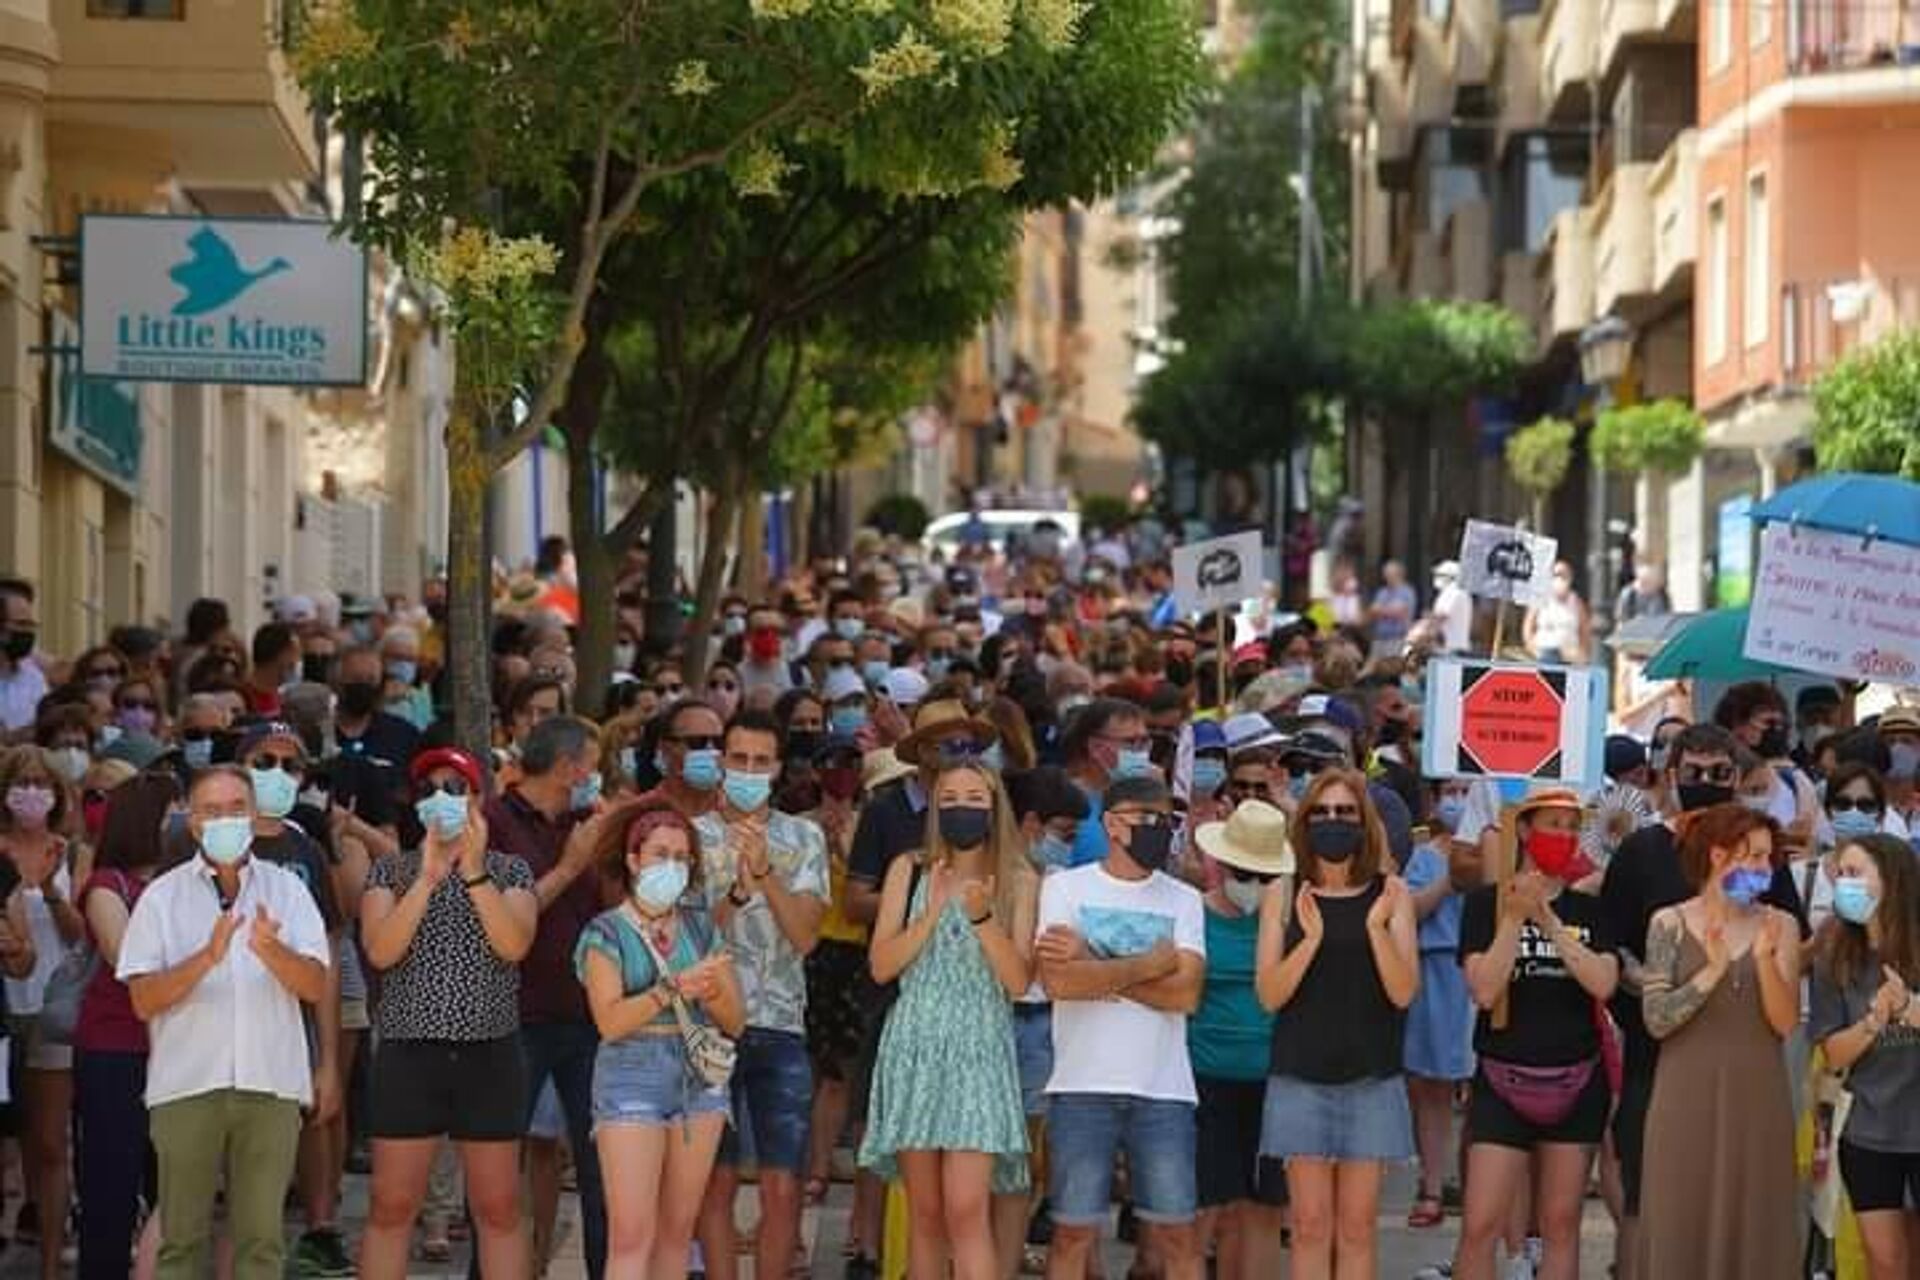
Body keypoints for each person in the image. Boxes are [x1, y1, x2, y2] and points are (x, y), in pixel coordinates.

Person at [1599, 721, 1805, 1260]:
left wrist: (1760, 961)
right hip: (1662, 1061)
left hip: (1752, 1077)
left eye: (1719, 773)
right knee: (1661, 1201)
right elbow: (1615, 948)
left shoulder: (1775, 913)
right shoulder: (1646, 856)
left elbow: (1788, 1008)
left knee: (1751, 1218)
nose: (1707, 781)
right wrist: (1668, 982)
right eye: (1695, 773)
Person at [118, 764, 330, 1280]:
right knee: (182, 1242)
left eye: (237, 809)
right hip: (187, 1086)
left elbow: (314, 986)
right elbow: (143, 1000)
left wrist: (270, 949)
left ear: (255, 815)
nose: (226, 820)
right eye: (212, 811)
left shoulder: (287, 890)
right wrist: (206, 958)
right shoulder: (161, 897)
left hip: (271, 1084)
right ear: (192, 822)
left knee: (262, 1242)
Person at [357, 747, 538, 1280]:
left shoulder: (510, 872)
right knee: (391, 1207)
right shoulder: (390, 871)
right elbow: (382, 951)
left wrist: (475, 874)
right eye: (430, 789)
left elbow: (513, 944)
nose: (442, 800)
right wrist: (428, 878)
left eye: (455, 789)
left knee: (499, 1209)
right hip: (409, 1054)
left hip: (490, 1054)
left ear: (479, 801)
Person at [862, 760, 1035, 1280]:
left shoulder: (1019, 879)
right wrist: (933, 910)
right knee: (927, 1214)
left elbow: (1018, 981)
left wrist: (981, 917)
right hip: (914, 1045)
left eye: (975, 798)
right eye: (951, 797)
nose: (963, 807)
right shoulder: (908, 868)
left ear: (994, 806)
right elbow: (882, 965)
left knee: (966, 1210)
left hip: (979, 1051)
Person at [1035, 775, 1205, 1280]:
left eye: (1167, 820)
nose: (1161, 829)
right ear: (1112, 823)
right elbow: (1060, 982)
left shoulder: (1183, 898)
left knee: (1178, 1234)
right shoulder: (1064, 888)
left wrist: (1094, 960)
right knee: (1071, 1234)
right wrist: (1147, 965)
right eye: (1147, 818)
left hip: (1165, 1089)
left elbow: (1186, 994)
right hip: (1081, 1085)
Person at [1255, 767, 1417, 1280]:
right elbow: (1270, 994)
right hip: (1299, 1078)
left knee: (1356, 1228)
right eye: (1322, 812)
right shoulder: (1283, 894)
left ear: (1363, 821)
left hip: (1372, 1078)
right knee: (1307, 1225)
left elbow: (1402, 991)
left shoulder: (1391, 894)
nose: (1333, 821)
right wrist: (1310, 940)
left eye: (1345, 812)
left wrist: (1374, 928)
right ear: (1304, 822)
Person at [1452, 790, 1620, 1280]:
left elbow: (1603, 982)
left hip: (1576, 1080)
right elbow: (1483, 990)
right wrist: (1514, 916)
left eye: (1572, 827)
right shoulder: (1484, 905)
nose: (1564, 837)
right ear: (1524, 830)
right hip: (1503, 1081)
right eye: (1554, 825)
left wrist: (1547, 918)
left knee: (1560, 1223)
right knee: (1480, 1224)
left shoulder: (1589, 911)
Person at [577, 802, 745, 1280]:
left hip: (699, 1078)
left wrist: (711, 993)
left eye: (681, 856)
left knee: (678, 1231)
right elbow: (609, 1021)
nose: (671, 865)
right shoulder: (605, 932)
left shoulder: (700, 926)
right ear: (633, 860)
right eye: (659, 853)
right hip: (631, 1072)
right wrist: (672, 987)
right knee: (631, 1235)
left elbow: (736, 1021)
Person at [1634, 803, 1798, 1279]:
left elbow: (1785, 1023)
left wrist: (1765, 960)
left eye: (1768, 859)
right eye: (1751, 857)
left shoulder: (1781, 925)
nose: (1762, 869)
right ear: (1717, 855)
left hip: (1758, 1098)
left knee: (1756, 1224)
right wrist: (1713, 972)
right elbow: (1657, 1020)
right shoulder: (1668, 922)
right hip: (1685, 1096)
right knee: (1680, 1220)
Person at [694, 709, 829, 1280]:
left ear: (776, 768)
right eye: (739, 758)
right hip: (708, 1025)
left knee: (782, 1183)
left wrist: (766, 873)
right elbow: (689, 938)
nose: (748, 770)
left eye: (760, 761)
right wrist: (739, 894)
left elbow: (804, 936)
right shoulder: (687, 836)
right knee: (715, 1182)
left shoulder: (806, 836)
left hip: (780, 1024)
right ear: (722, 761)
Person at [484, 714, 610, 1279]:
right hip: (516, 1018)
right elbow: (508, 917)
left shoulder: (585, 822)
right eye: (592, 764)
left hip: (586, 1018)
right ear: (566, 767)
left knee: (601, 1169)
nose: (596, 776)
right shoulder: (493, 821)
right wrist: (572, 864)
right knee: (498, 1167)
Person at [74, 769, 173, 1280]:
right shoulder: (107, 887)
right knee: (111, 1185)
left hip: (173, 1054)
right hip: (117, 1051)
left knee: (174, 1189)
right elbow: (128, 960)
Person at [1809, 833, 1920, 1279]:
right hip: (1868, 1129)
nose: (1844, 884)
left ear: (1891, 880)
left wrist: (1909, 1008)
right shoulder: (1835, 953)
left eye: (1855, 873)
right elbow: (1832, 1053)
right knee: (1885, 1259)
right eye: (1840, 875)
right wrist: (1874, 1020)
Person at [1189, 801, 1291, 1280]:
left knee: (1264, 1211)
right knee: (1207, 1212)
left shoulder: (1291, 921)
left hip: (1274, 1081)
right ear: (1221, 864)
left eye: (1262, 874)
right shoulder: (1193, 915)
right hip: (1205, 1078)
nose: (1250, 882)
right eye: (1242, 870)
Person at [1, 744, 83, 1280]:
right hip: (5, 1009)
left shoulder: (71, 851)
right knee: (9, 1143)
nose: (32, 792)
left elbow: (81, 935)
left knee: (51, 1142)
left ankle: (52, 1263)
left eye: (41, 783)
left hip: (55, 1007)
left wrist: (53, 890)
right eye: (21, 782)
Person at [1402, 780, 1473, 1230]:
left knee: (1484, 1090)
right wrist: (1451, 878)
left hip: (1479, 974)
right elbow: (1408, 909)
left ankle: (1472, 1182)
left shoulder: (1497, 848)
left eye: (1467, 791)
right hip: (1433, 974)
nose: (1457, 799)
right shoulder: (1423, 852)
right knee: (1431, 1089)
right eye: (1450, 789)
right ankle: (1431, 1185)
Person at [1368, 561, 1417, 658]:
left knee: (1395, 669)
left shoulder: (1407, 592)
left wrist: (1381, 610)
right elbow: (1372, 611)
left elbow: (1398, 612)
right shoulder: (1382, 592)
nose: (1386, 577)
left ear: (1399, 574)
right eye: (1385, 574)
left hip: (1398, 639)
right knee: (1377, 669)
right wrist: (1389, 610)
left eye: (1390, 574)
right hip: (1380, 639)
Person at [1430, 561, 1473, 655]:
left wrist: (1424, 625)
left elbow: (1442, 616)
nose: (1437, 578)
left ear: (1450, 577)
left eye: (1441, 575)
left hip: (1451, 648)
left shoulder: (1455, 592)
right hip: (1447, 647)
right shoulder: (1451, 591)